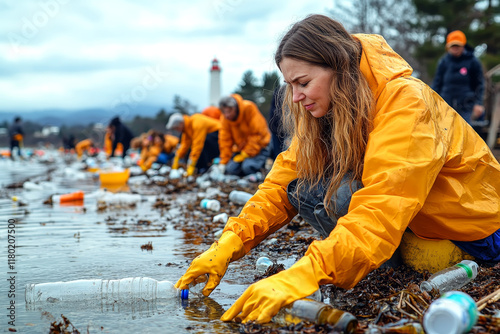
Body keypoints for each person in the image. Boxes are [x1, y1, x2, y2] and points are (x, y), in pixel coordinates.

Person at [175, 15, 500, 324]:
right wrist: (229, 243)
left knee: (342, 194)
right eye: (289, 85)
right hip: (413, 215)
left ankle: (379, 262)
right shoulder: (331, 107)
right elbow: (281, 180)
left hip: (470, 229)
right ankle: (364, 259)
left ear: (340, 70)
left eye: (303, 82)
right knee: (301, 188)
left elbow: (381, 206)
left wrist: (305, 272)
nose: (295, 97)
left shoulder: (407, 103)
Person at [432, 30, 485, 125]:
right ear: (448, 46)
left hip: (466, 106)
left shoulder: (473, 62)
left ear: (463, 45)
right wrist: (432, 101)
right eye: (452, 46)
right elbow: (437, 83)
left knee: (465, 134)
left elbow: (479, 84)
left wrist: (478, 103)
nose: (455, 48)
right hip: (445, 105)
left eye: (457, 45)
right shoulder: (444, 62)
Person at [218, 94, 271, 176]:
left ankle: (261, 168)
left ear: (235, 108)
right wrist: (224, 162)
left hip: (259, 147)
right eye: (224, 112)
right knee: (230, 170)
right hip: (241, 150)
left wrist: (247, 153)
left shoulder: (249, 108)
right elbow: (225, 141)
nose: (226, 115)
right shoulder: (225, 119)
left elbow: (258, 134)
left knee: (248, 167)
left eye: (229, 111)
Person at [268, 85, 288, 159]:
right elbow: (272, 111)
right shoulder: (279, 90)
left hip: (287, 129)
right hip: (276, 128)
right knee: (278, 153)